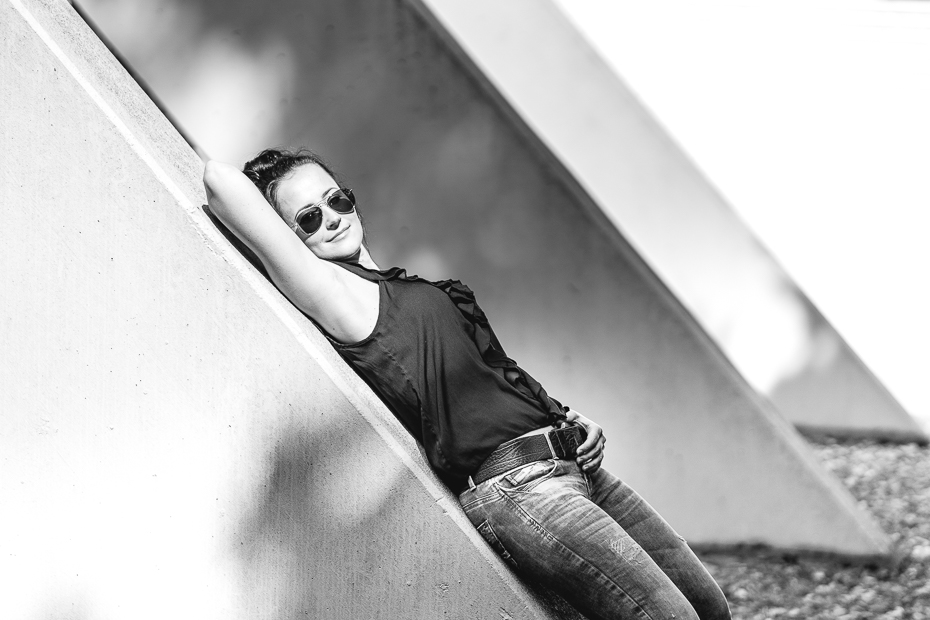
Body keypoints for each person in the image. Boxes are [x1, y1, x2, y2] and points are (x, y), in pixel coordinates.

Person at [203, 148, 731, 620]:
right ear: (289, 237)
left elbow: (490, 372)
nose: (334, 218)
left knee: (710, 606)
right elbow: (220, 181)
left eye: (336, 199)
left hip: (577, 463)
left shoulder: (406, 288)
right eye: (309, 218)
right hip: (521, 489)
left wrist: (564, 415)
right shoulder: (339, 297)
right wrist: (269, 183)